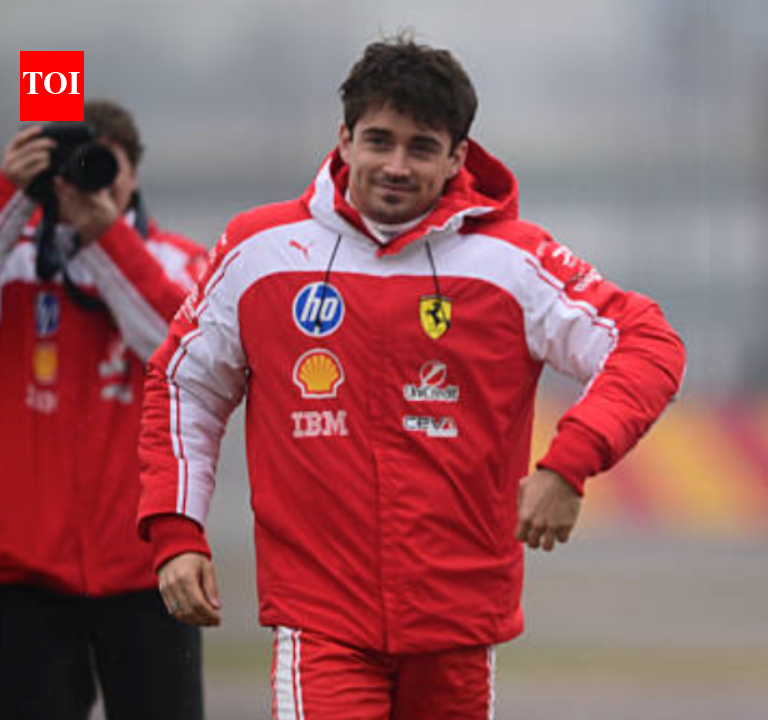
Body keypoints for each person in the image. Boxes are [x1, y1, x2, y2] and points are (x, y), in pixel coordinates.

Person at [136, 36, 685, 719]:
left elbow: (648, 343)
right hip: (320, 618)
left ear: (458, 156)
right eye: (378, 141)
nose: (395, 166)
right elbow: (184, 385)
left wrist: (569, 465)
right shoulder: (260, 250)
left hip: (460, 622)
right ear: (343, 139)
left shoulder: (512, 262)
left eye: (421, 147)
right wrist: (177, 531)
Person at [0, 101, 207, 719]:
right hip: (24, 568)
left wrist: (103, 232)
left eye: (103, 165)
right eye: (66, 165)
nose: (86, 177)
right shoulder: (16, 257)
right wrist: (12, 191)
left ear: (134, 175)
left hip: (147, 568)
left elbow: (177, 351)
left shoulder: (180, 261)